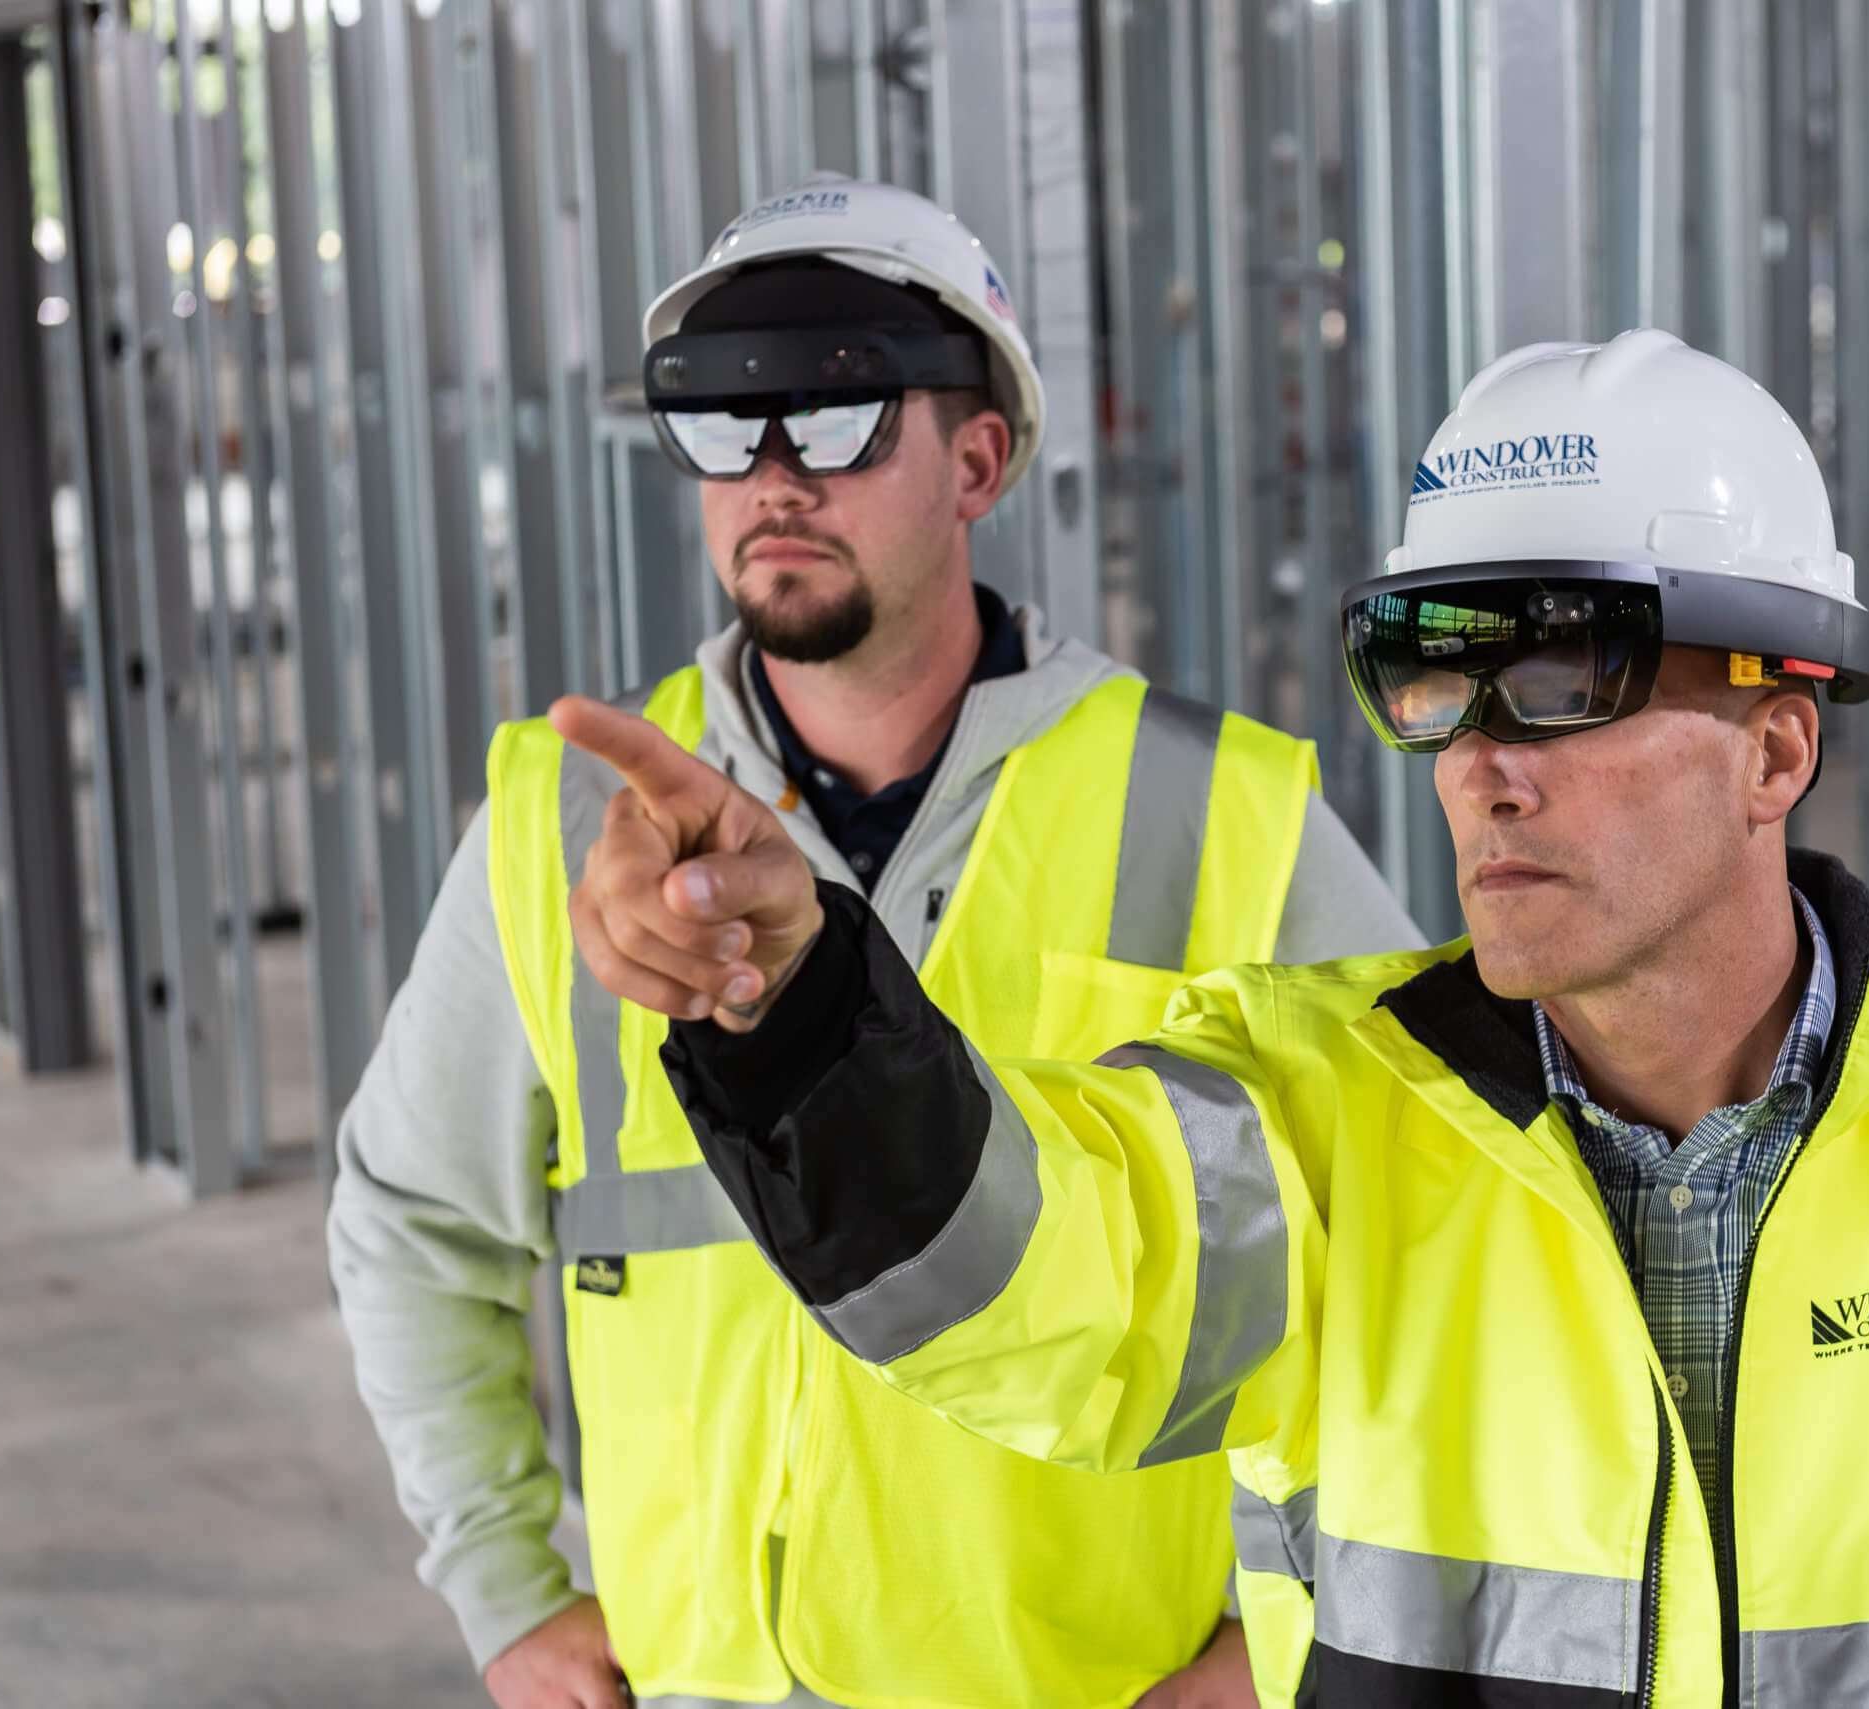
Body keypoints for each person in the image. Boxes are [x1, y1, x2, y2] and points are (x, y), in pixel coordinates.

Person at [563, 328, 1869, 1706]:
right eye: (1437, 682)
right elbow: (1006, 1274)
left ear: (1776, 740)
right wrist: (801, 1004)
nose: (1481, 768)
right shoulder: (1306, 1139)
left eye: (1562, 673)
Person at [327, 174, 1420, 1709]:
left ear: (977, 458)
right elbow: (406, 1222)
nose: (772, 472)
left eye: (835, 414)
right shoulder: (563, 819)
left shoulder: (1217, 811)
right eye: (721, 417)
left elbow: (1420, 1260)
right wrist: (502, 1587)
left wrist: (1276, 1641)